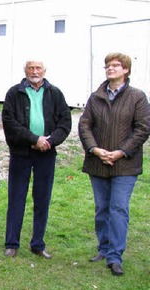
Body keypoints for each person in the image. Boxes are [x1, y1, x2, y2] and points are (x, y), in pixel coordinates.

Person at [78, 52, 150, 276]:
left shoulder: (137, 97)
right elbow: (85, 125)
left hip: (125, 165)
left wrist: (121, 152)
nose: (111, 68)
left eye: (116, 65)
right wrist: (95, 149)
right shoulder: (96, 96)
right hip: (98, 162)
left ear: (126, 70)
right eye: (108, 65)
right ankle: (104, 247)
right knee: (102, 209)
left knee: (118, 209)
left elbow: (143, 128)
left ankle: (115, 256)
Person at [1, 60, 71, 259]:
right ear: (25, 71)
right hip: (21, 153)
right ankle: (12, 243)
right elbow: (9, 122)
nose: (34, 71)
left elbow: (65, 122)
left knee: (42, 198)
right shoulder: (14, 93)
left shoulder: (55, 93)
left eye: (38, 68)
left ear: (44, 71)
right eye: (31, 68)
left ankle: (38, 244)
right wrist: (33, 139)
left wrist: (49, 141)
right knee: (16, 197)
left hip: (46, 154)